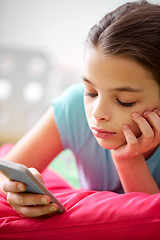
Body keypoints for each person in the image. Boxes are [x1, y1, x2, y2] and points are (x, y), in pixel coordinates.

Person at [0, 0, 160, 218]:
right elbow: (5, 173)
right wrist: (15, 192)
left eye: (124, 100)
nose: (96, 113)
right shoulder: (74, 106)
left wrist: (128, 160)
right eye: (91, 92)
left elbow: (150, 221)